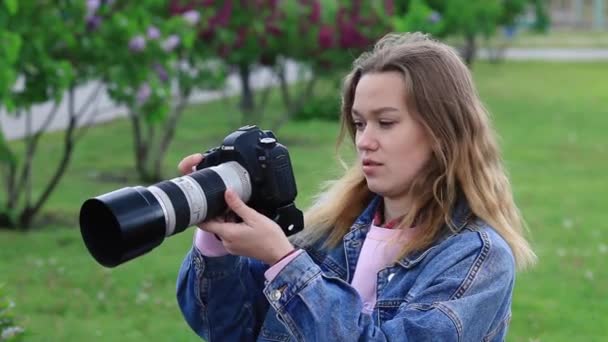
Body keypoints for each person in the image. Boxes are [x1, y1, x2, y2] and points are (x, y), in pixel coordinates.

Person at [175, 32, 536, 341]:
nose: (364, 141)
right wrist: (215, 234)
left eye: (386, 122)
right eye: (360, 123)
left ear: (443, 132)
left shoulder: (476, 257)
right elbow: (225, 330)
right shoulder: (325, 234)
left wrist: (285, 262)